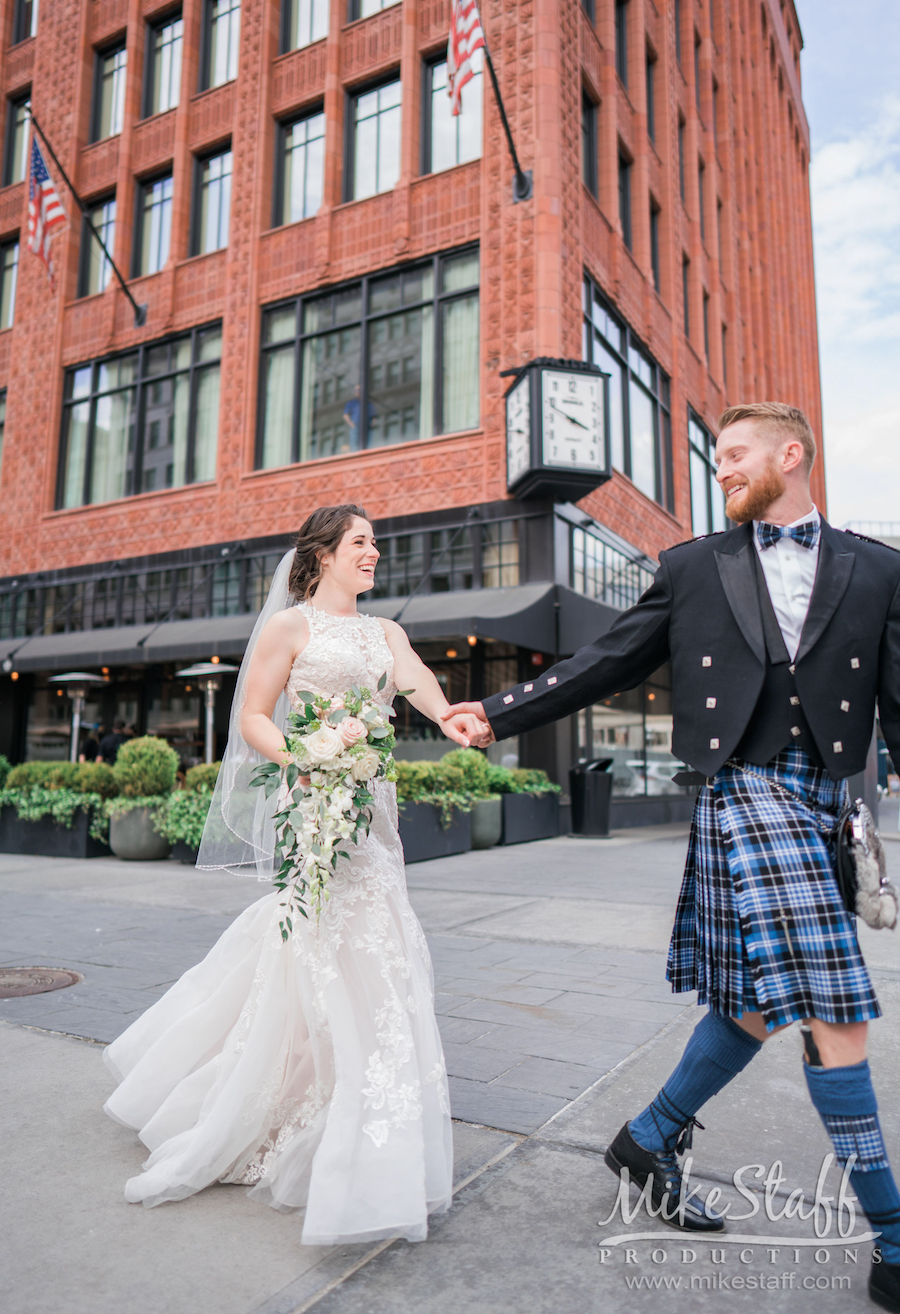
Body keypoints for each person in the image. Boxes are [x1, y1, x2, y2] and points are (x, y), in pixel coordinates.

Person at [443, 403, 900, 1311]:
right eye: (718, 457)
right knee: (833, 1004)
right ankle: (893, 1237)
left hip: (827, 803)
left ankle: (650, 1136)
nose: (722, 469)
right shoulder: (696, 565)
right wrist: (494, 714)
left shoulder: (880, 568)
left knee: (755, 1006)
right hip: (745, 788)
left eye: (735, 455)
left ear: (790, 454)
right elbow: (607, 659)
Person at [103, 504, 488, 1245]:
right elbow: (253, 715)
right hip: (314, 800)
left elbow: (417, 684)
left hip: (372, 811)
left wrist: (451, 719)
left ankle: (360, 1107)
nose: (373, 551)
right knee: (325, 939)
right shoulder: (291, 626)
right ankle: (301, 1104)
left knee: (379, 945)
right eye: (359, 541)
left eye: (375, 541)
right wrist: (302, 757)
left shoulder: (387, 632)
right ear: (322, 555)